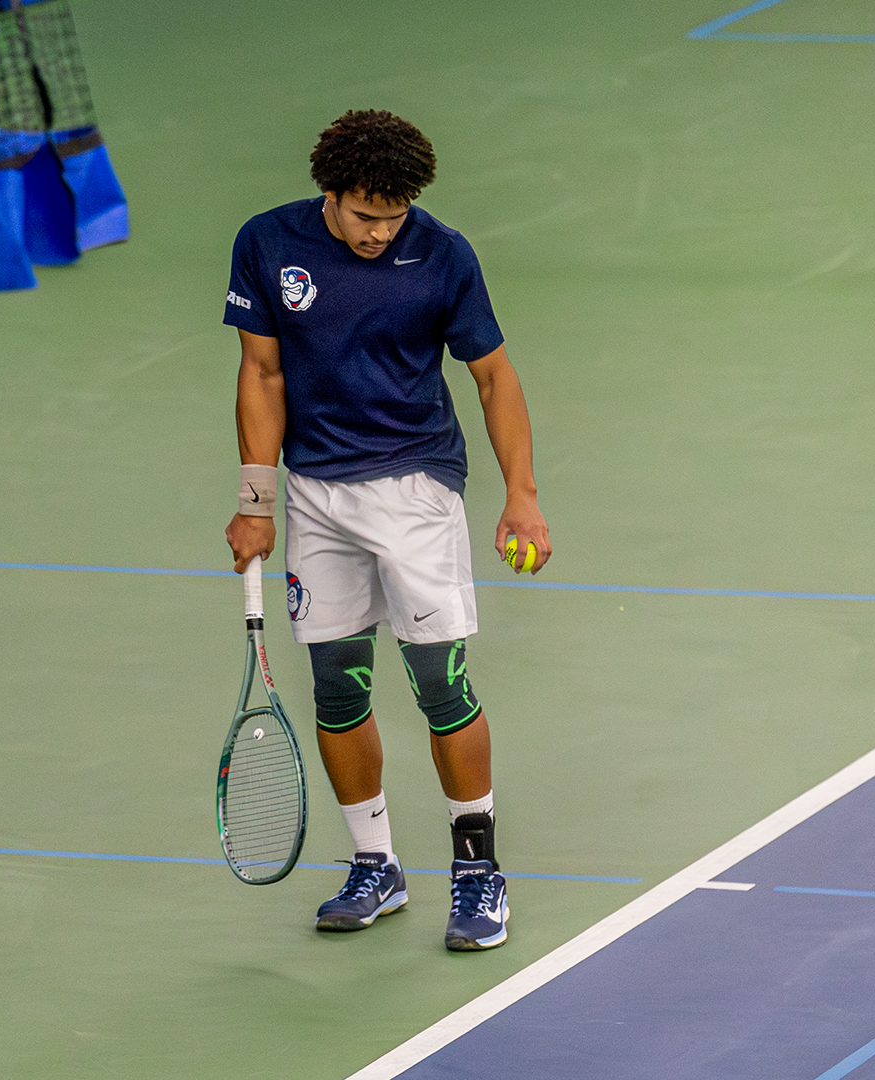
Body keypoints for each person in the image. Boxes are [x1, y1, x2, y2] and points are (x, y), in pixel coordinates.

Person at [222, 109, 551, 951]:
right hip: (315, 493)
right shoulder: (268, 243)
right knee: (338, 687)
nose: (380, 233)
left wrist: (521, 494)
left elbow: (493, 375)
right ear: (330, 195)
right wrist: (257, 500)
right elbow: (261, 372)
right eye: (366, 215)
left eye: (394, 218)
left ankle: (477, 872)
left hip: (415, 488)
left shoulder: (442, 255)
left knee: (441, 684)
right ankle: (376, 864)